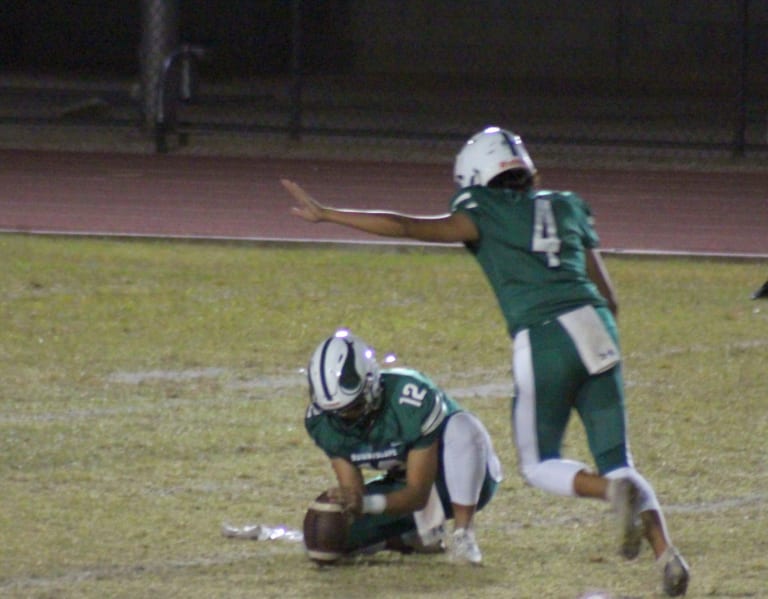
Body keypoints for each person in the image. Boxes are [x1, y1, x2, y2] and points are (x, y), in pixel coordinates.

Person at [282, 127, 690, 596]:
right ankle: (667, 555)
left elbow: (406, 225)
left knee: (539, 464)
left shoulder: (483, 211)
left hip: (544, 335)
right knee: (619, 459)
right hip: (599, 331)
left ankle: (609, 493)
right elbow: (609, 297)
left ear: (476, 178)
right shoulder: (569, 205)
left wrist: (330, 215)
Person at [303, 329, 502, 564]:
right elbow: (353, 492)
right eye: (335, 412)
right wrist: (349, 506)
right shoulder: (322, 422)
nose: (345, 418)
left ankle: (463, 534)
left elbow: (418, 493)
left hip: (456, 479)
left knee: (463, 426)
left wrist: (367, 504)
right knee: (325, 537)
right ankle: (409, 538)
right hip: (402, 484)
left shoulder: (409, 399)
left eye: (352, 407)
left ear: (371, 385)